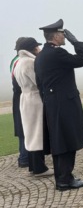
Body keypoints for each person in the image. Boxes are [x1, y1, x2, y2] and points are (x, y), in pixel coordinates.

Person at [34, 19, 83, 191]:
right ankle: (65, 180)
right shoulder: (57, 53)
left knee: (60, 142)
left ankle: (63, 178)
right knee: (67, 142)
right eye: (63, 34)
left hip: (53, 103)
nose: (64, 36)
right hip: (64, 103)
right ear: (56, 36)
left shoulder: (41, 56)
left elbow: (39, 83)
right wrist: (76, 42)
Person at [14, 37, 54, 177]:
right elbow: (38, 81)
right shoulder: (30, 62)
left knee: (30, 132)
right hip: (35, 98)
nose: (39, 49)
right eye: (37, 47)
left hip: (25, 98)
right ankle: (39, 167)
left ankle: (33, 165)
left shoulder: (19, 62)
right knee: (37, 132)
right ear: (32, 48)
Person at [10, 37, 29, 168]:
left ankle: (24, 156)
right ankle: (24, 157)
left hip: (18, 96)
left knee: (23, 126)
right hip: (22, 95)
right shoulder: (20, 62)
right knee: (24, 127)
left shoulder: (14, 60)